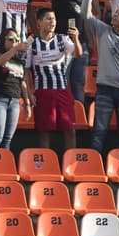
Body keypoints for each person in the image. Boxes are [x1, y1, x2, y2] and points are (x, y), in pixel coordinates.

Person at [25, 8, 81, 153]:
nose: (52, 22)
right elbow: (26, 71)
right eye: (48, 19)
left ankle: (69, 165)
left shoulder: (62, 39)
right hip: (42, 91)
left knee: (70, 129)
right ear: (39, 23)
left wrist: (75, 38)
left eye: (54, 19)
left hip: (62, 90)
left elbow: (78, 54)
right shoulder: (32, 43)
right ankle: (46, 166)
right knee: (44, 131)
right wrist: (30, 94)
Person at [88, 5, 119, 154]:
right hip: (104, 89)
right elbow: (86, 15)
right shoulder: (103, 30)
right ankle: (94, 166)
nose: (115, 15)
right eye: (116, 12)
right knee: (99, 132)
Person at [0, 28, 29, 149]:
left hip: (14, 100)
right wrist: (15, 48)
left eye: (16, 40)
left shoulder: (19, 61)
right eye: (10, 39)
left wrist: (27, 102)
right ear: (3, 41)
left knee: (7, 138)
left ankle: (3, 165)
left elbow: (22, 82)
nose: (14, 42)